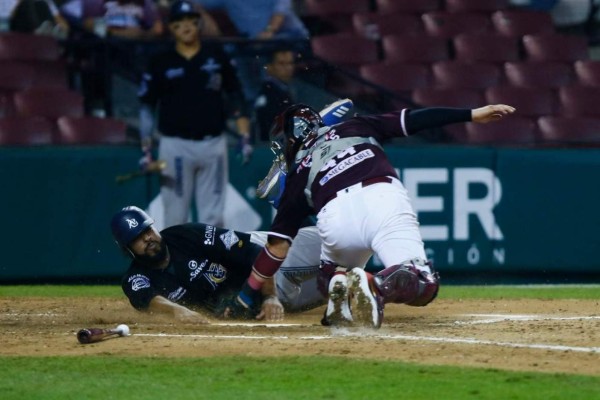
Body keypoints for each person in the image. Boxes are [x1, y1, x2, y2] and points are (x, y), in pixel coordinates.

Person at [224, 103, 517, 328]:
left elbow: (277, 248)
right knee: (423, 284)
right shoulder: (355, 125)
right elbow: (413, 119)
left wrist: (246, 295)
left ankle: (341, 284)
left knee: (328, 279)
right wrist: (472, 114)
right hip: (381, 197)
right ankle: (376, 284)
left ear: (291, 141)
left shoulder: (298, 173)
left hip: (335, 216)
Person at [138, 0, 251, 228]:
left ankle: (211, 263)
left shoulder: (216, 56)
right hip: (175, 145)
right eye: (179, 22)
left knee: (214, 217)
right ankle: (177, 263)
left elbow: (236, 96)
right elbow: (147, 106)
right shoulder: (160, 61)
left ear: (199, 24)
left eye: (191, 21)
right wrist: (146, 148)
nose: (186, 27)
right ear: (171, 27)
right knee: (175, 216)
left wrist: (244, 136)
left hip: (213, 143)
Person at [110, 206, 325, 323]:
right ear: (127, 249)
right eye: (138, 238)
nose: (147, 238)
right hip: (272, 299)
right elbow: (148, 299)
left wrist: (270, 296)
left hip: (269, 263)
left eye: (148, 230)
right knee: (333, 286)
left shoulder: (187, 235)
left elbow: (254, 251)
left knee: (342, 247)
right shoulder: (135, 278)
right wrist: (178, 311)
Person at [253, 48, 296, 143]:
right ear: (269, 67)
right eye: (281, 64)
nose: (288, 67)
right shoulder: (268, 93)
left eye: (290, 63)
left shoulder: (286, 89)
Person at [81, 0, 164, 39]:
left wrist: (142, 34)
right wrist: (114, 33)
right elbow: (88, 23)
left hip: (136, 45)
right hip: (106, 44)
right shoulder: (98, 2)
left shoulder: (145, 3)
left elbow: (158, 29)